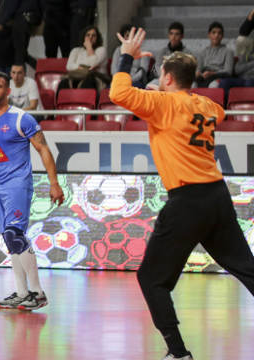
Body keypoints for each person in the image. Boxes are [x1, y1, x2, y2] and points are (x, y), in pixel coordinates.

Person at [110, 27, 254, 360]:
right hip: (217, 197)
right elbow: (213, 111)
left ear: (169, 79)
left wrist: (128, 55)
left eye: (161, 75)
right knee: (246, 267)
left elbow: (119, 93)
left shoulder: (162, 104)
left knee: (151, 279)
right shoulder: (206, 104)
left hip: (187, 200)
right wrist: (156, 90)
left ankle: (178, 353)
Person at [0, 71, 64, 311]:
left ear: (7, 91)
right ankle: (22, 293)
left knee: (14, 234)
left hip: (18, 184)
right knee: (10, 240)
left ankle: (38, 293)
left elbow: (43, 149)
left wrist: (54, 183)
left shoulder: (22, 119)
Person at [58, 25, 107, 93]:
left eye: (93, 35)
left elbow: (92, 64)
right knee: (64, 82)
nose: (90, 37)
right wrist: (80, 67)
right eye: (88, 35)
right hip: (76, 76)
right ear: (83, 37)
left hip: (95, 79)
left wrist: (89, 47)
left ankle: (84, 103)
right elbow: (69, 66)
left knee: (88, 81)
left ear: (97, 38)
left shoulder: (101, 50)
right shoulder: (76, 50)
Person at [219, 9, 254, 103]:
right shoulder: (246, 46)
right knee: (224, 82)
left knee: (249, 83)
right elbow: (238, 69)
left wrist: (247, 66)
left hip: (250, 80)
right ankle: (224, 113)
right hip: (242, 77)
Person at [146, 22, 194, 89]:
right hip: (165, 79)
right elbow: (157, 67)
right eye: (171, 34)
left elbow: (190, 70)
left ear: (182, 36)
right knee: (149, 86)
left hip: (181, 81)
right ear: (169, 35)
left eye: (177, 34)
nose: (173, 37)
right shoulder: (162, 52)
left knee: (193, 85)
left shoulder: (187, 53)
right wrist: (166, 78)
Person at [195, 22, 234, 88]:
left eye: (219, 33)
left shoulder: (228, 52)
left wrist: (212, 74)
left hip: (219, 77)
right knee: (192, 85)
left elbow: (228, 71)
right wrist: (198, 73)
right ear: (209, 35)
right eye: (213, 32)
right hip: (203, 77)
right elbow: (198, 69)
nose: (216, 35)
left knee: (213, 86)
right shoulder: (202, 52)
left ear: (222, 36)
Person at [111, 24, 149, 88]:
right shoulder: (118, 50)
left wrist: (129, 80)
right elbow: (113, 70)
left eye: (131, 35)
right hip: (119, 81)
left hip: (135, 81)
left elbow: (143, 70)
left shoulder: (142, 50)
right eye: (127, 35)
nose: (128, 38)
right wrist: (120, 80)